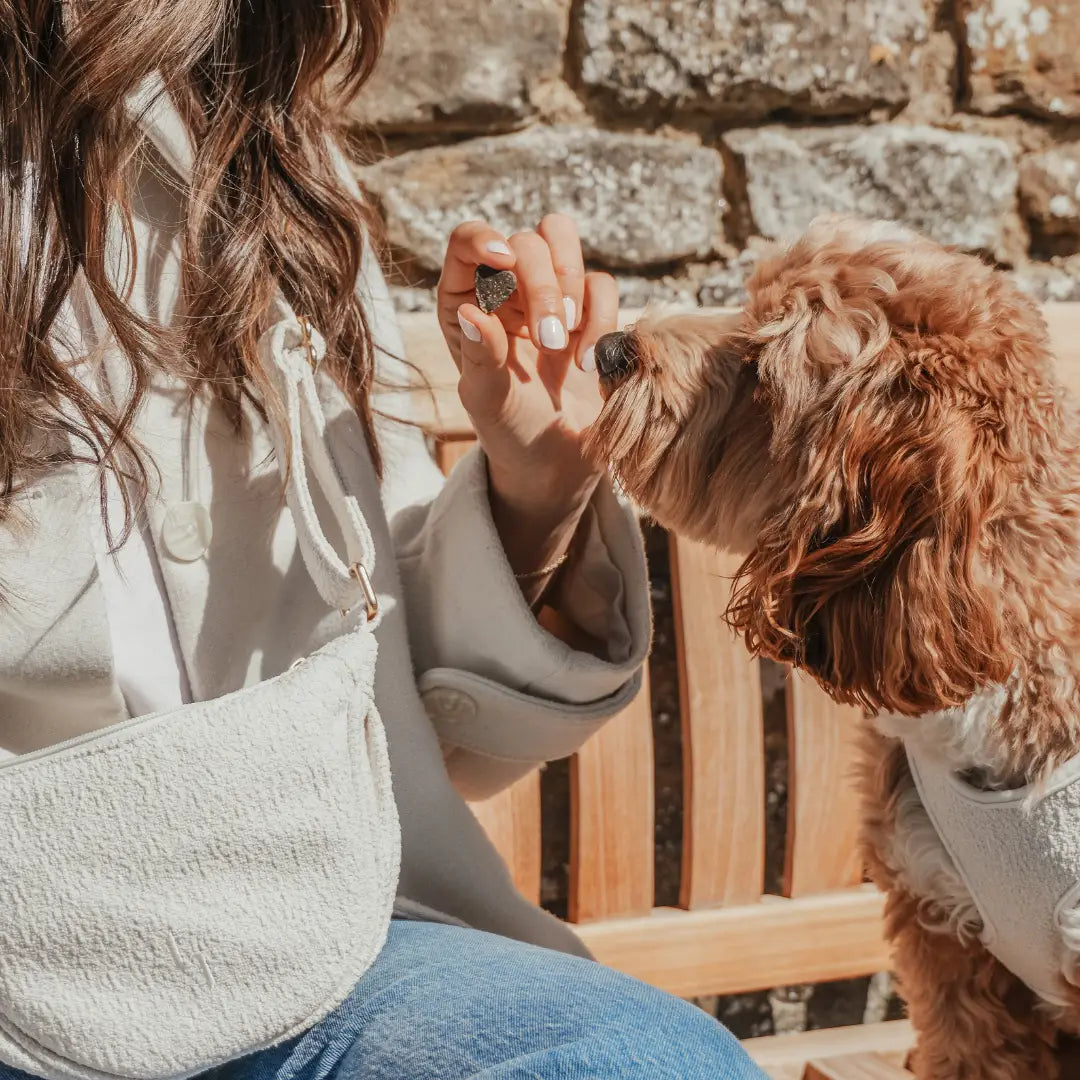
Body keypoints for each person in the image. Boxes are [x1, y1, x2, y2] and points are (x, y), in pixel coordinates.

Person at [0, 3, 764, 1078]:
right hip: (24, 978)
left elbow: (416, 723)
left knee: (639, 1064)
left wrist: (533, 490)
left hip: (331, 930)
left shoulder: (272, 148)